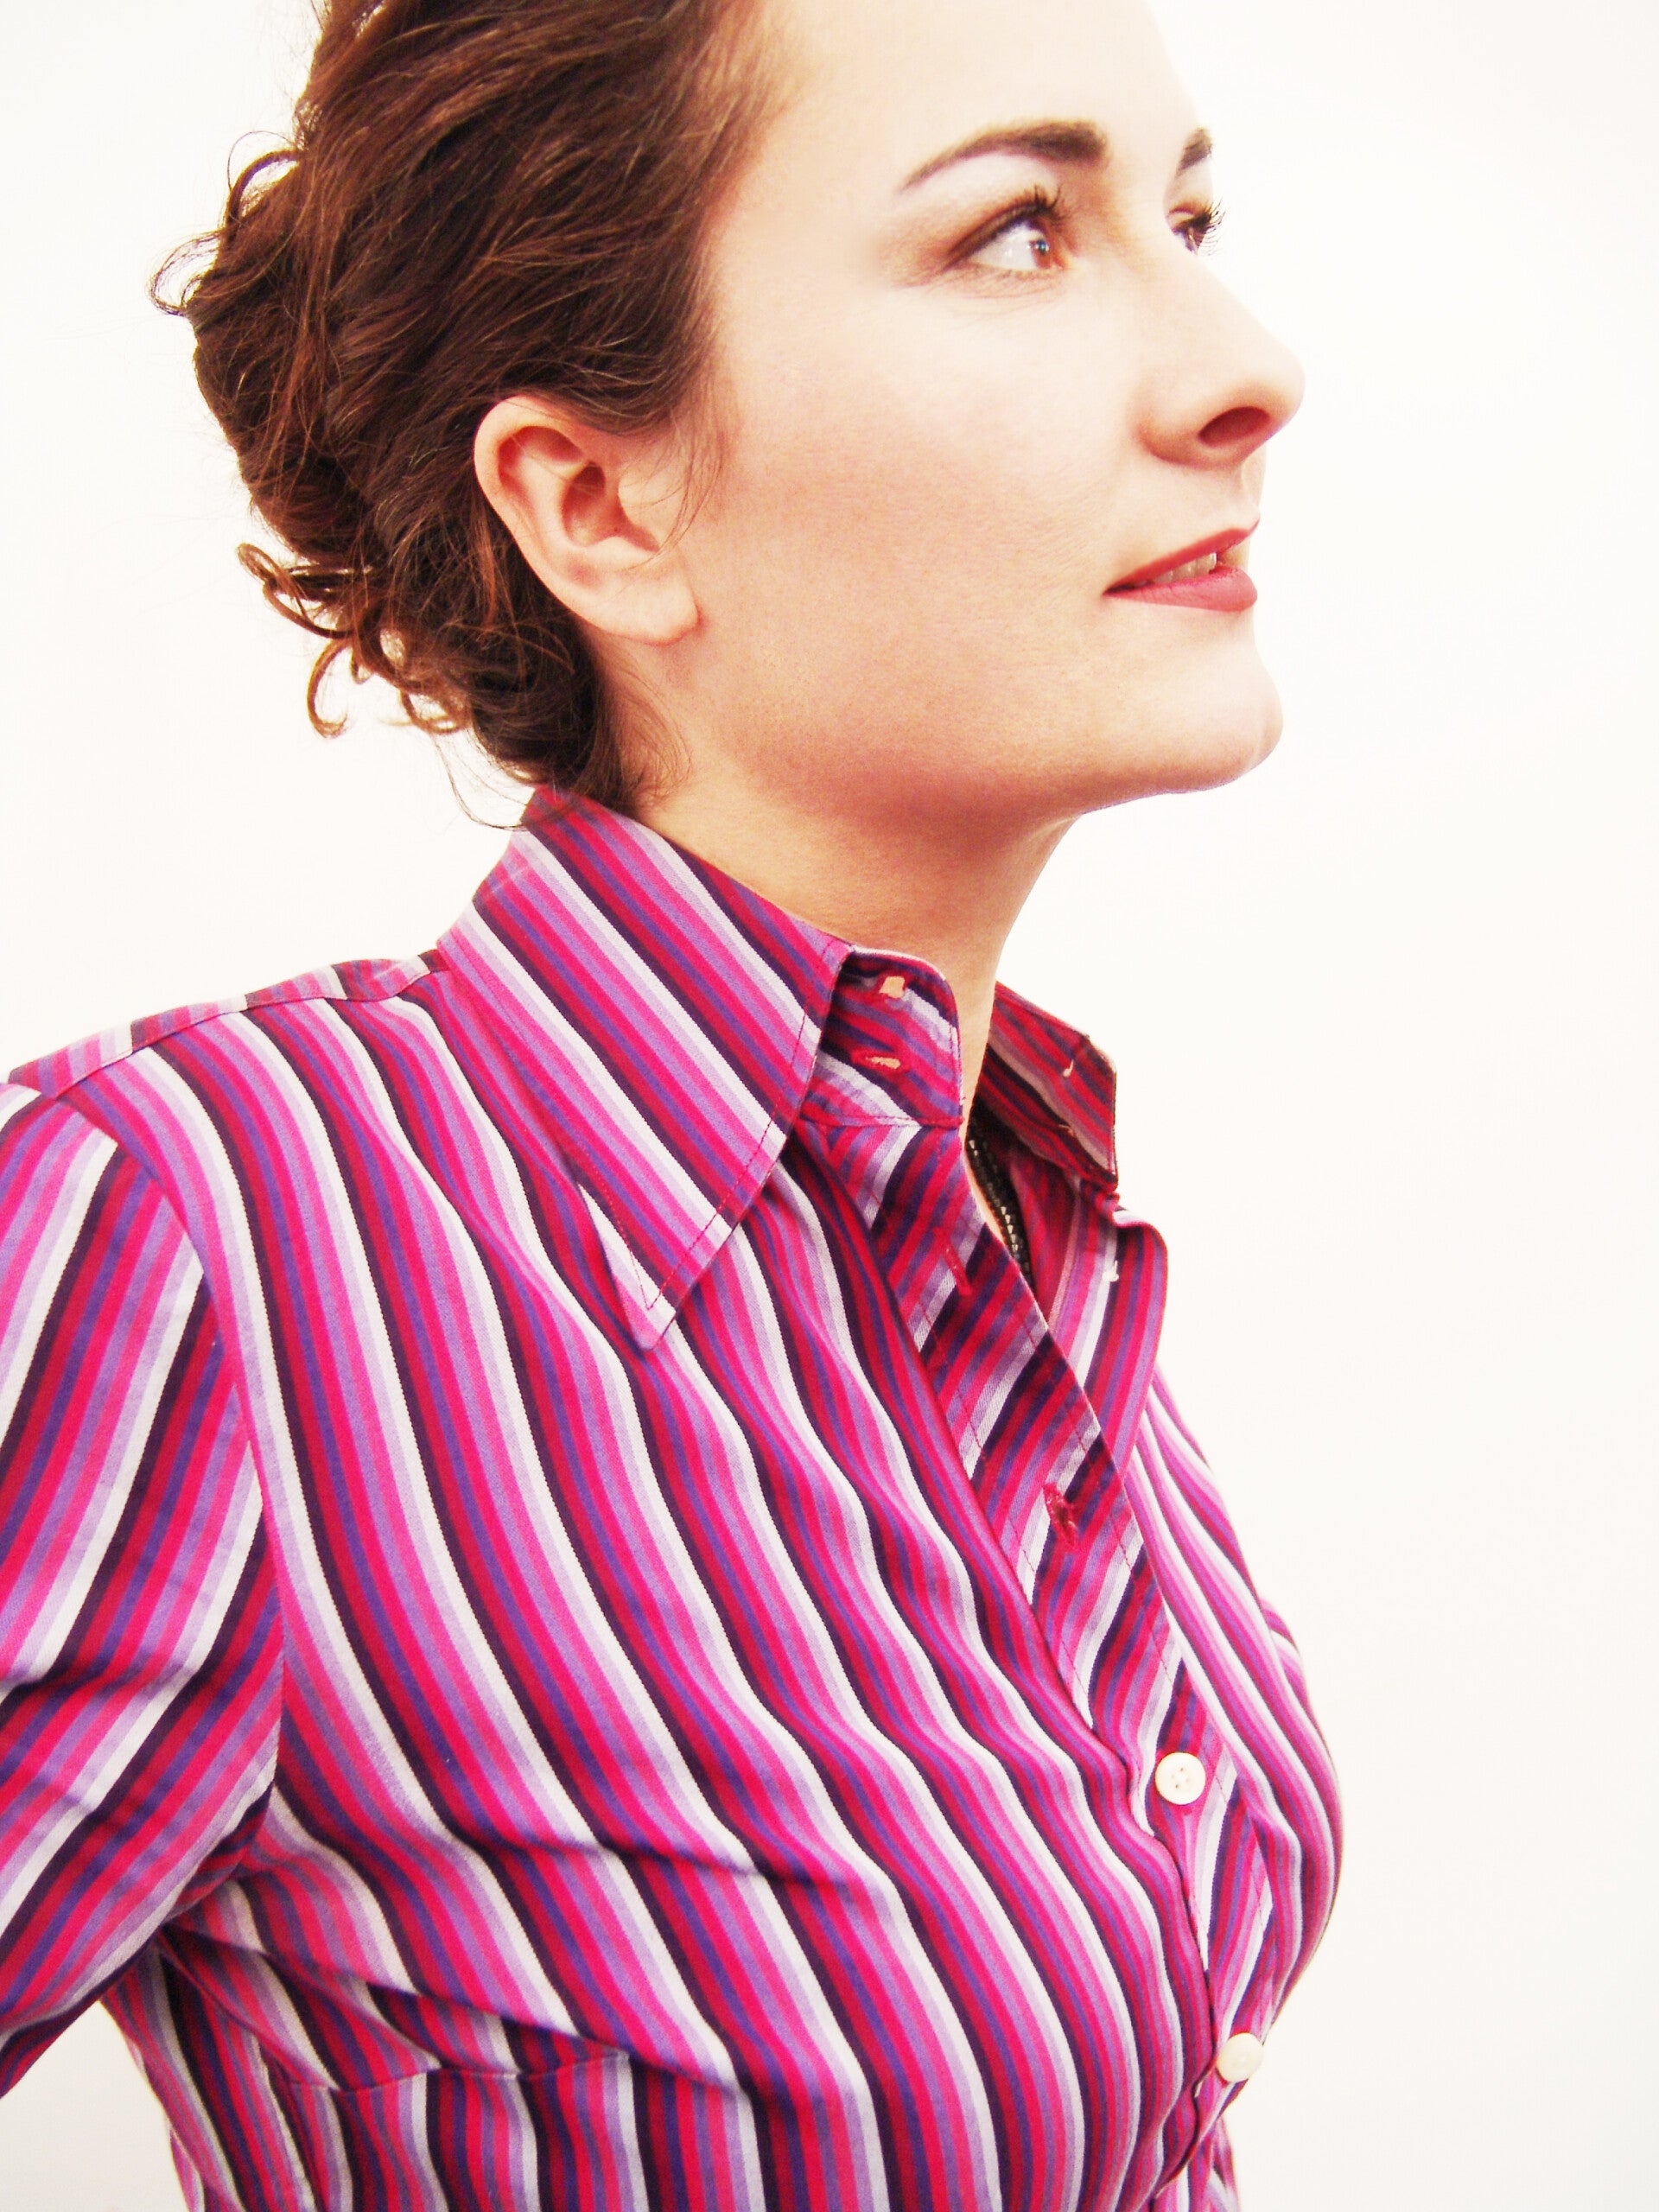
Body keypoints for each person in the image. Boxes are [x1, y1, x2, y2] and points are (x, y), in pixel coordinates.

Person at [0, 0, 1341, 2204]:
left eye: (1183, 221)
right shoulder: (202, 1241)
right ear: (601, 504)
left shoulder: (993, 1206)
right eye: (1014, 231)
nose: (1246, 368)